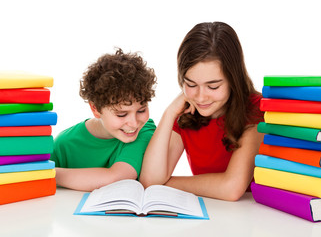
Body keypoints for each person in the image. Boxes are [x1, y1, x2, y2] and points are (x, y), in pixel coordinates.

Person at [140, 22, 264, 201]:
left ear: (233, 80)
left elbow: (231, 188)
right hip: (208, 214)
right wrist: (169, 113)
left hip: (253, 217)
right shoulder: (186, 111)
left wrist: (165, 185)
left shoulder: (255, 109)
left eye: (213, 86)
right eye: (190, 84)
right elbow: (150, 179)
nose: (200, 97)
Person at [51, 48, 157, 191]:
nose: (133, 123)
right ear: (95, 109)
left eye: (141, 110)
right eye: (121, 114)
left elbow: (117, 177)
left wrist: (49, 174)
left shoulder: (145, 130)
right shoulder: (64, 144)